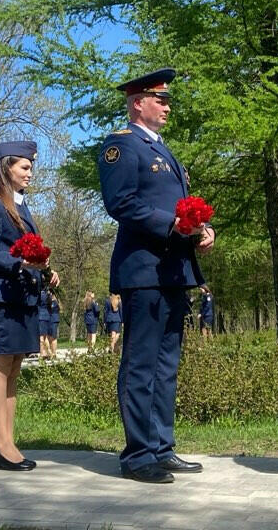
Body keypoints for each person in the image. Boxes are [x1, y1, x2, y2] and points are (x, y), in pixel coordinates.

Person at [97, 68, 214, 483]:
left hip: (172, 270)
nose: (167, 106)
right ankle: (137, 455)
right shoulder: (122, 146)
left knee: (167, 364)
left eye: (167, 101)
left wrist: (199, 229)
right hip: (143, 270)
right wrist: (174, 226)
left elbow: (179, 209)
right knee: (142, 363)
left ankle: (161, 447)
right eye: (159, 100)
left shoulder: (164, 151)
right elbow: (121, 203)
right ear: (137, 103)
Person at [0, 140, 60, 470]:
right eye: (24, 167)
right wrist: (19, 262)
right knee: (0, 368)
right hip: (4, 296)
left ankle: (8, 442)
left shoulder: (21, 206)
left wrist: (46, 271)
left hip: (24, 296)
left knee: (14, 372)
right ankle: (1, 444)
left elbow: (28, 249)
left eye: (31, 167)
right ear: (5, 168)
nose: (30, 173)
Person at [36, 288, 53, 360]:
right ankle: (49, 352)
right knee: (45, 336)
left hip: (41, 316)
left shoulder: (41, 294)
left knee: (41, 337)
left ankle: (42, 353)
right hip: (46, 315)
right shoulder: (48, 294)